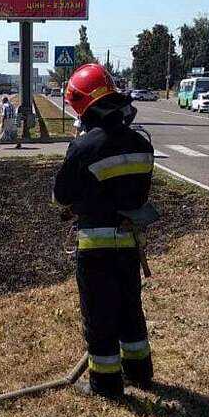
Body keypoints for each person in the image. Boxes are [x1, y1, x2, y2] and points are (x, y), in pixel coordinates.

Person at [53, 63, 156, 399]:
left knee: (99, 316)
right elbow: (137, 194)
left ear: (83, 105)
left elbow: (61, 197)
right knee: (130, 309)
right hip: (128, 244)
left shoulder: (84, 148)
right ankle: (140, 371)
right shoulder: (142, 144)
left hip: (95, 249)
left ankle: (106, 384)